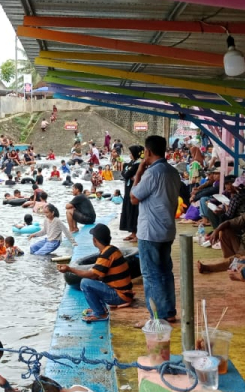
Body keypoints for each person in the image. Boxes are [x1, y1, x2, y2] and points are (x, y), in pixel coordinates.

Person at [130, 135, 180, 324]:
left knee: (151, 275)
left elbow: (134, 198)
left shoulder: (152, 173)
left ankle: (156, 317)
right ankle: (169, 312)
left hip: (150, 232)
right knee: (165, 272)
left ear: (148, 151)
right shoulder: (172, 172)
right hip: (167, 230)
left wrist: (139, 171)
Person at [58, 224, 134, 322]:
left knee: (85, 283)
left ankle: (100, 314)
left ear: (94, 240)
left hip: (120, 295)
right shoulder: (112, 250)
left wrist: (70, 269)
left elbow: (93, 275)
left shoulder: (106, 255)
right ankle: (101, 308)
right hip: (125, 294)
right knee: (94, 281)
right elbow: (98, 276)